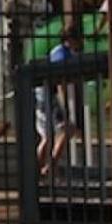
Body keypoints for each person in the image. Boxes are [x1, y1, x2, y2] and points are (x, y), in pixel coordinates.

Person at [35, 28, 85, 176]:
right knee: (66, 129)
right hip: (48, 94)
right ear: (70, 40)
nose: (81, 43)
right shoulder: (63, 55)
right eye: (79, 39)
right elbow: (60, 80)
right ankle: (49, 166)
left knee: (49, 134)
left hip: (43, 93)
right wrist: (65, 107)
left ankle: (39, 169)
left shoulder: (61, 52)